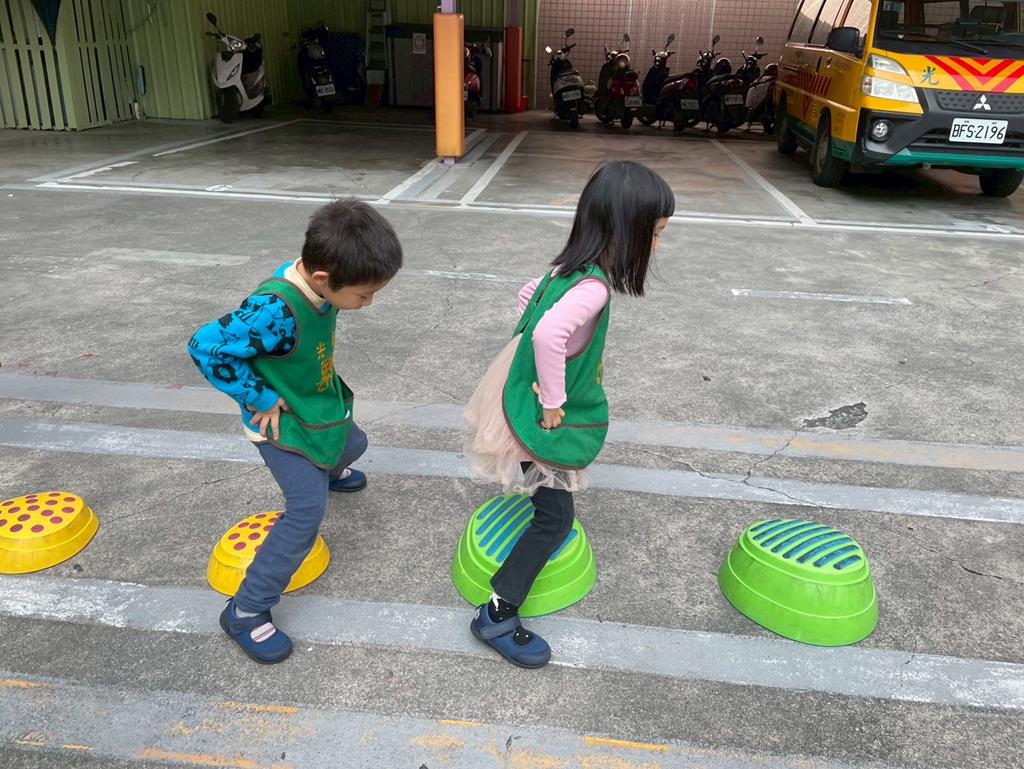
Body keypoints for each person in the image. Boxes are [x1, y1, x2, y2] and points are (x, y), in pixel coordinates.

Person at [463, 160, 674, 668]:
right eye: (655, 233)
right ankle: (497, 613)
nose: (657, 245)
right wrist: (553, 399)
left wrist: (530, 366)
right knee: (555, 520)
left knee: (544, 493)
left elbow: (528, 299)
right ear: (626, 230)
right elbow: (548, 334)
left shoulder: (565, 269)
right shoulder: (594, 288)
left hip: (512, 391)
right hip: (538, 411)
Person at [188, 199, 402, 664]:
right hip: (281, 422)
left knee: (355, 443)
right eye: (364, 295)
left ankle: (328, 471)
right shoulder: (273, 311)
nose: (368, 303)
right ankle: (246, 610)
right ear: (323, 278)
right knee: (306, 511)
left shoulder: (319, 277)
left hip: (315, 405)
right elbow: (205, 345)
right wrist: (257, 395)